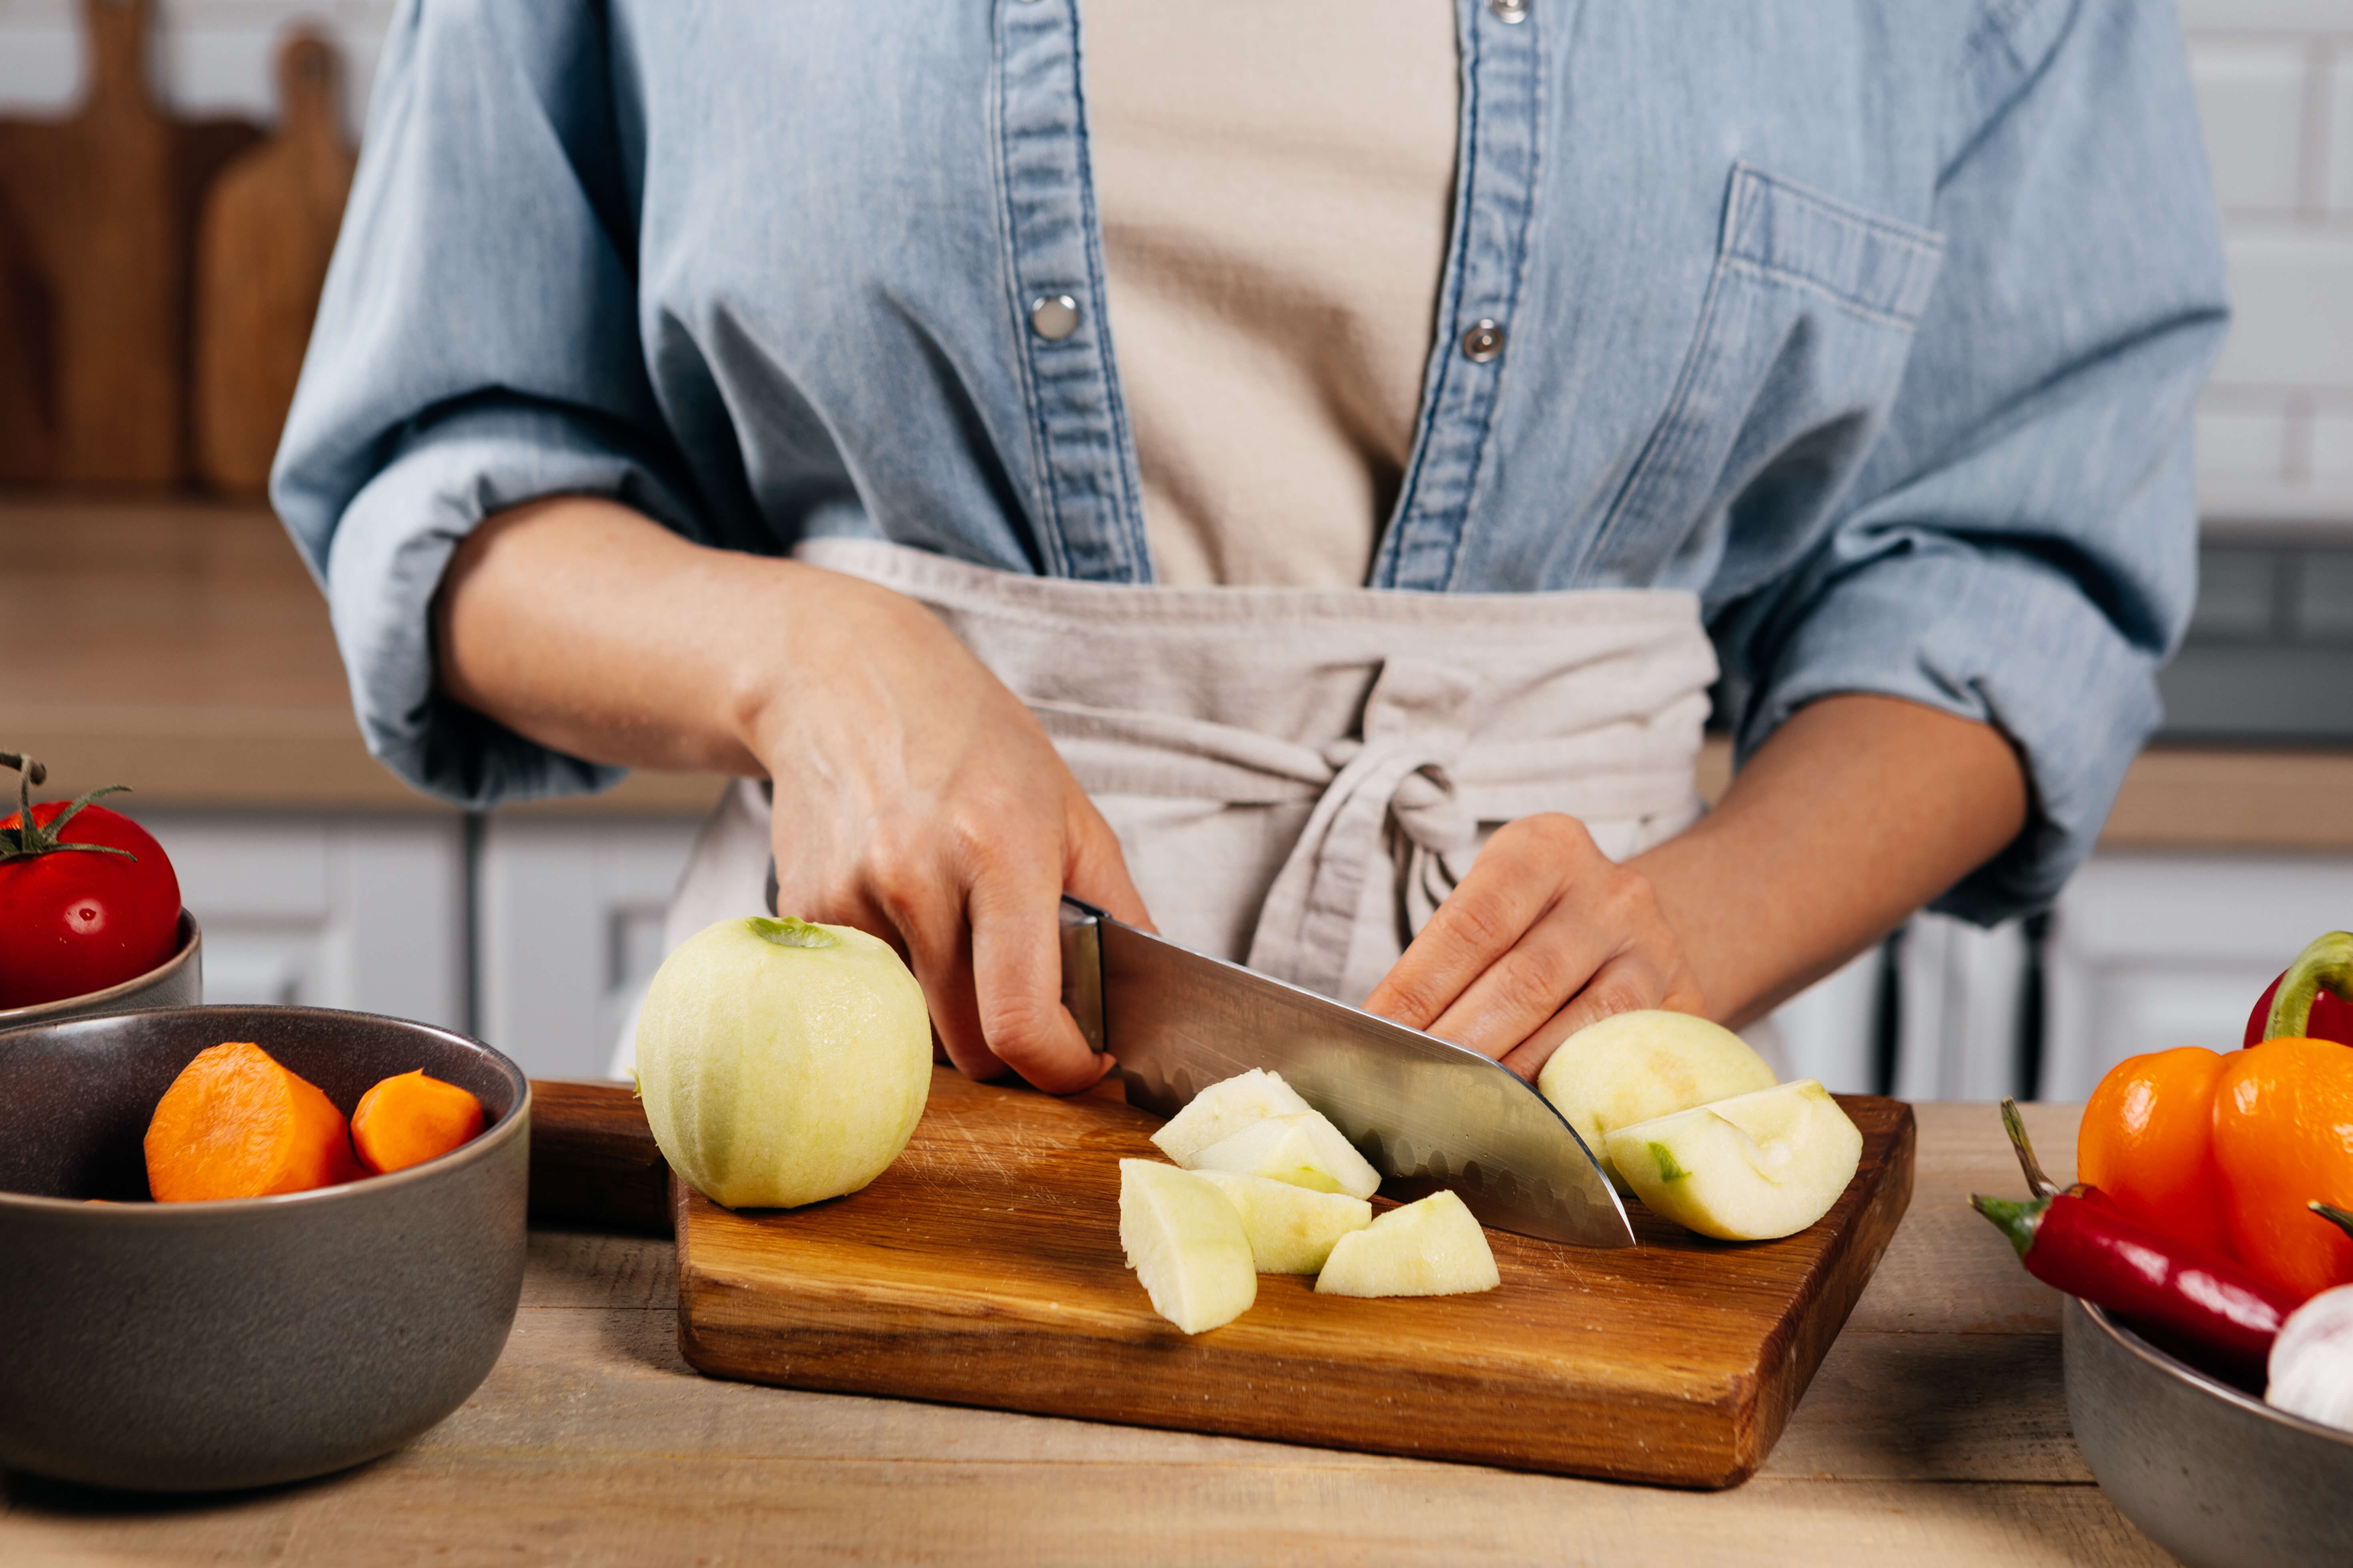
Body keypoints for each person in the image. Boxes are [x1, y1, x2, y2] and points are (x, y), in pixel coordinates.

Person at [274, 1, 2226, 1095]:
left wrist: (1687, 926)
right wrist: (814, 659)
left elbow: (2009, 567)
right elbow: (446, 468)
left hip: (1565, 1135)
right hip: (874, 1083)